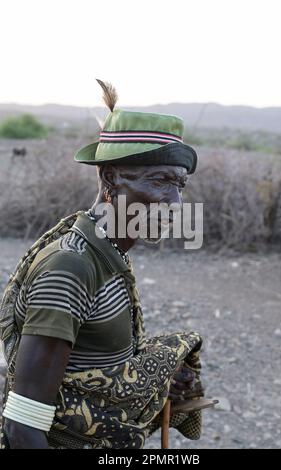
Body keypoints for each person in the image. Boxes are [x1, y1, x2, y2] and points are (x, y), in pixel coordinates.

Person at [0, 80, 204, 449]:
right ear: (111, 177)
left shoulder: (109, 255)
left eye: (179, 186)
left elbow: (87, 366)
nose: (175, 203)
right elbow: (22, 426)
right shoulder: (71, 268)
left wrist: (159, 381)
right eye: (159, 181)